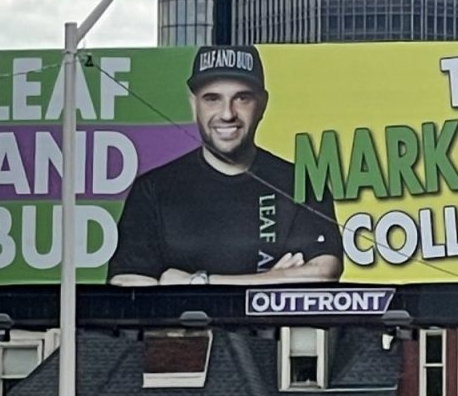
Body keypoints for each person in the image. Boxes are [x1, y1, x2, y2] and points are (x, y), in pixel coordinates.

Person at [107, 44, 342, 286]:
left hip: (272, 326)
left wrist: (197, 283)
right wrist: (271, 280)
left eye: (242, 98)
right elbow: (126, 282)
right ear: (193, 104)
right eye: (212, 99)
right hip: (178, 327)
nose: (227, 114)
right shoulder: (154, 188)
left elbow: (323, 271)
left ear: (262, 104)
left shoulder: (302, 181)